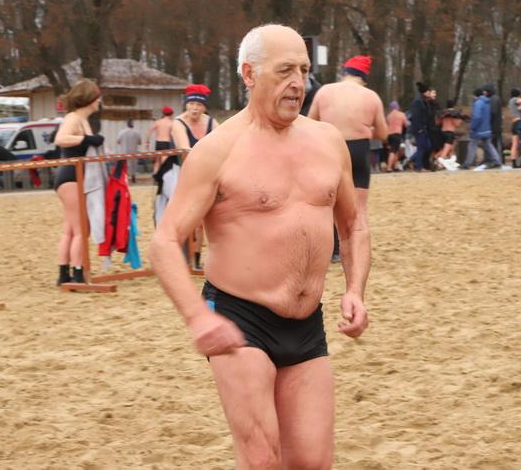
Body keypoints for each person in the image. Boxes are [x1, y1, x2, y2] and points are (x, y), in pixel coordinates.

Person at [149, 24, 370, 469]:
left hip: (307, 323)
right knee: (261, 458)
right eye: (285, 70)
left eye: (303, 70)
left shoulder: (328, 141)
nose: (298, 83)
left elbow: (353, 227)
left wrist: (355, 290)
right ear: (249, 74)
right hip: (239, 319)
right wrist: (197, 317)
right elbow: (165, 241)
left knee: (312, 462)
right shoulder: (217, 150)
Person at [308, 54, 388, 263]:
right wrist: (365, 129)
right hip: (359, 149)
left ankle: (334, 251)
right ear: (363, 77)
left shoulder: (324, 92)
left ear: (344, 73)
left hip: (330, 148)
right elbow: (383, 133)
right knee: (359, 208)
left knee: (330, 203)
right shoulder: (371, 96)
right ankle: (357, 250)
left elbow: (310, 123)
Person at [52, 79, 105, 285]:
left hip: (71, 177)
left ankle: (64, 273)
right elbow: (60, 139)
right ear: (90, 99)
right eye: (97, 97)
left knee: (70, 229)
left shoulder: (82, 120)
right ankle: (77, 271)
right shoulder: (73, 118)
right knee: (82, 229)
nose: (99, 101)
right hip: (71, 178)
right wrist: (86, 140)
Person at [175, 83, 219, 270]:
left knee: (203, 222)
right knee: (186, 219)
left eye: (199, 105)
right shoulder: (178, 123)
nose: (194, 108)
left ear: (204, 107)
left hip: (209, 174)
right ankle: (181, 258)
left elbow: (224, 144)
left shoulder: (211, 123)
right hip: (186, 175)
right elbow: (186, 150)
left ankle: (196, 260)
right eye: (191, 104)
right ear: (186, 104)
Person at [460, 88, 502, 170]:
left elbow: (477, 116)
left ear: (475, 95)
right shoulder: (488, 102)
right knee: (488, 145)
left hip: (478, 129)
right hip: (487, 128)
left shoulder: (478, 103)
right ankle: (497, 161)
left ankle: (467, 163)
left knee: (472, 145)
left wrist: (472, 127)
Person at [408, 82, 436, 171]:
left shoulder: (424, 101)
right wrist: (419, 128)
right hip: (419, 129)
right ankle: (418, 166)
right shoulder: (417, 102)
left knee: (428, 146)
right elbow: (415, 116)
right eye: (428, 92)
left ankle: (412, 159)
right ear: (424, 92)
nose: (429, 93)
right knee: (421, 148)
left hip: (424, 128)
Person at [385, 101, 408, 172]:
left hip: (389, 135)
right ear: (398, 107)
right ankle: (389, 167)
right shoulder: (401, 114)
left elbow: (387, 125)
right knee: (393, 151)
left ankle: (395, 166)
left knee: (396, 150)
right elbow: (406, 124)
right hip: (397, 134)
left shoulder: (388, 116)